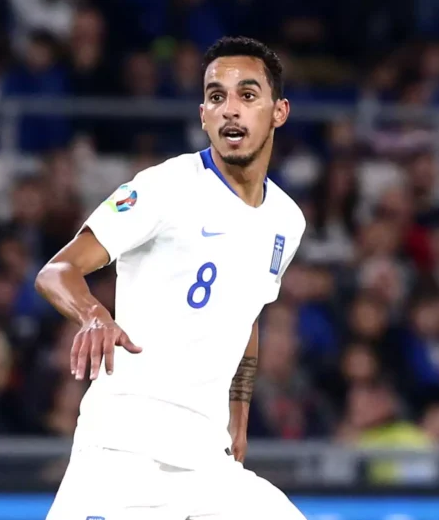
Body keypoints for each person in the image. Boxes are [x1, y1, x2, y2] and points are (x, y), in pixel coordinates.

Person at [36, 36, 306, 520]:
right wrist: (94, 314)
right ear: (203, 115)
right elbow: (57, 270)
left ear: (279, 112)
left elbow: (247, 317)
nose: (230, 109)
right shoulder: (165, 188)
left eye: (247, 95)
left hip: (207, 463)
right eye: (216, 97)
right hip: (125, 452)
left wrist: (239, 415)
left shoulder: (287, 221)